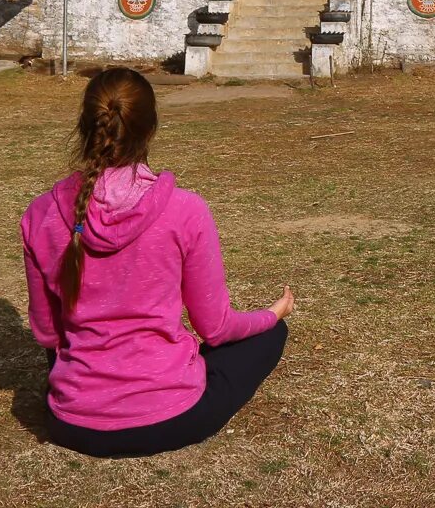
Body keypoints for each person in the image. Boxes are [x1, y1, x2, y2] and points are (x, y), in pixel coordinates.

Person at [20, 66, 292, 457]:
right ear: (150, 130)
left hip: (72, 424)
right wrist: (271, 314)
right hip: (172, 419)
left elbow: (48, 333)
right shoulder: (186, 210)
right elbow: (215, 329)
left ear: (84, 127)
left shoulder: (40, 214)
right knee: (268, 335)